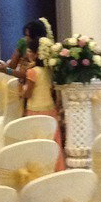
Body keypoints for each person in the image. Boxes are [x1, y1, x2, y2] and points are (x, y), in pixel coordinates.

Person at [22, 31, 66, 171]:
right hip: (50, 110)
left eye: (29, 50)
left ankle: (39, 170)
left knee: (36, 143)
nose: (28, 53)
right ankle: (56, 168)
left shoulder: (32, 72)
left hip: (35, 110)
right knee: (53, 141)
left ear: (36, 54)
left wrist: (20, 90)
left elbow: (28, 93)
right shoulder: (48, 70)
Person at [0, 19, 47, 83]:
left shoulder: (44, 49)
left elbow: (25, 74)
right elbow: (12, 66)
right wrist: (3, 67)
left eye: (28, 36)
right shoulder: (23, 43)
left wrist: (5, 69)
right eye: (25, 35)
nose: (26, 38)